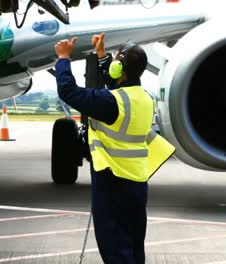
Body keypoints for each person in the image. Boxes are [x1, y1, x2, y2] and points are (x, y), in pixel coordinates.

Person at [55, 33, 175, 264]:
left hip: (112, 182)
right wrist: (102, 56)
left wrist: (63, 58)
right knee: (132, 245)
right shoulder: (143, 98)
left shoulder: (111, 102)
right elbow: (116, 86)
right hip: (137, 182)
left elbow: (68, 92)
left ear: (118, 67)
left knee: (115, 250)